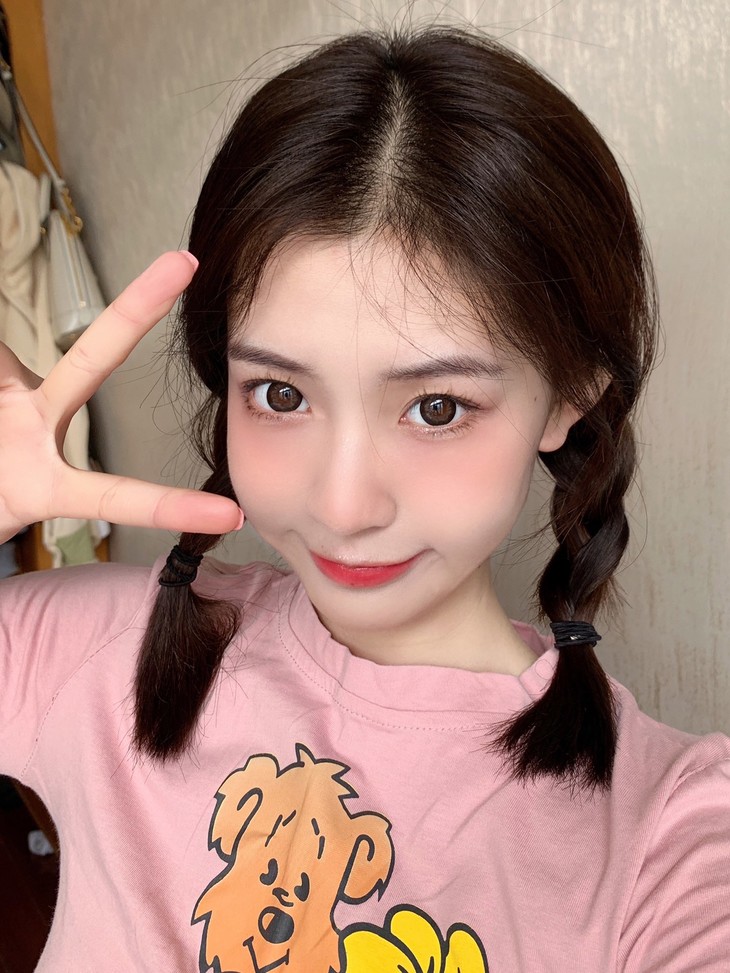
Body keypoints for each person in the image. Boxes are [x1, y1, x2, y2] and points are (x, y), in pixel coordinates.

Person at [1, 24, 728, 973]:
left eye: (437, 407)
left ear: (569, 396)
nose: (343, 506)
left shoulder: (669, 835)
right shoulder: (93, 654)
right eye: (281, 394)